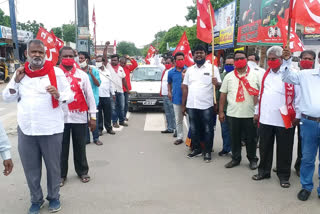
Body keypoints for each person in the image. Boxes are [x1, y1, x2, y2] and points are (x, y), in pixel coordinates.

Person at [2, 39, 73, 214]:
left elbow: (69, 95)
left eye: (40, 52)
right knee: (31, 169)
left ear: (45, 54)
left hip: (51, 129)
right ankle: (36, 200)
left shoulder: (56, 72)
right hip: (27, 129)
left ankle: (54, 197)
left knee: (53, 167)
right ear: (27, 54)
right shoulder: (20, 73)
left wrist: (58, 94)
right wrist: (16, 82)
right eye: (33, 52)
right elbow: (7, 97)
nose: (37, 55)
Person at [252, 46, 300, 189]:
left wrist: (297, 115)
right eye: (269, 59)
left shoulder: (291, 74)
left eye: (274, 59)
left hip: (285, 117)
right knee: (265, 147)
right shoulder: (265, 74)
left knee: (284, 149)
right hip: (266, 117)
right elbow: (261, 96)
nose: (271, 61)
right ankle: (264, 171)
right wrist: (256, 112)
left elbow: (298, 96)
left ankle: (284, 175)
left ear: (281, 59)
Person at [282, 47, 320, 201]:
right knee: (307, 158)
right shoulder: (305, 74)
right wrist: (286, 60)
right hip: (309, 122)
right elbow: (286, 77)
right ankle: (306, 186)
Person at [59, 46, 97, 187]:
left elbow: (90, 98)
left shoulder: (83, 75)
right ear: (60, 57)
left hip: (79, 117)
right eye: (65, 56)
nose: (68, 59)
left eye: (70, 56)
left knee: (80, 146)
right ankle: (61, 174)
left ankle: (82, 171)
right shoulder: (55, 75)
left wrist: (92, 118)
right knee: (61, 148)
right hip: (60, 119)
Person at [219, 50, 260, 170]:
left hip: (250, 114)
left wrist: (258, 112)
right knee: (234, 138)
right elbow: (223, 95)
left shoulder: (256, 75)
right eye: (236, 59)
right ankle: (236, 158)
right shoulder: (229, 76)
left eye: (241, 58)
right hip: (233, 113)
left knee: (251, 139)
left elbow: (261, 94)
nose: (239, 61)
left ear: (246, 59)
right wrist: (221, 111)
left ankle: (252, 159)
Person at [182, 45, 221, 162]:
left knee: (208, 129)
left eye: (201, 53)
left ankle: (207, 151)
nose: (199, 55)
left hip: (206, 105)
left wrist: (217, 83)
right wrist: (183, 105)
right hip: (191, 105)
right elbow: (185, 87)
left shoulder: (213, 68)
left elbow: (220, 86)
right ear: (193, 56)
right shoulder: (189, 70)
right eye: (196, 53)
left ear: (205, 54)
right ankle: (197, 149)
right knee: (194, 129)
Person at [78, 51, 102, 145]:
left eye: (82, 58)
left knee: (94, 118)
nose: (80, 60)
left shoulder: (94, 70)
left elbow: (98, 84)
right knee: (84, 120)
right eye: (79, 58)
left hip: (93, 99)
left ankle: (96, 138)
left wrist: (91, 74)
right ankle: (86, 139)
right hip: (81, 100)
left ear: (87, 60)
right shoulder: (77, 70)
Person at [103, 43, 129, 128]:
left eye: (115, 60)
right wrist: (106, 47)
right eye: (112, 60)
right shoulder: (108, 66)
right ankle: (114, 122)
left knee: (121, 106)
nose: (113, 61)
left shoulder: (121, 68)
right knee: (113, 108)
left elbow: (124, 79)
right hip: (112, 91)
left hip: (121, 90)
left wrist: (127, 89)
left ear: (118, 61)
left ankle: (121, 121)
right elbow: (104, 57)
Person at [168, 52, 187, 145]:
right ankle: (180, 137)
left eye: (182, 59)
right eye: (178, 60)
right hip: (176, 99)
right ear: (175, 61)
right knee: (178, 120)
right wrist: (169, 92)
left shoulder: (189, 71)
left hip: (188, 100)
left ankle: (191, 139)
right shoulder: (171, 72)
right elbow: (169, 83)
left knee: (190, 121)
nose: (180, 61)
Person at [217, 54, 234, 156]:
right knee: (225, 130)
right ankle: (226, 148)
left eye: (231, 64)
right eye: (227, 64)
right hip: (224, 108)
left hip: (235, 108)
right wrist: (219, 109)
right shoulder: (221, 76)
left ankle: (234, 149)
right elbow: (219, 93)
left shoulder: (238, 76)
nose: (228, 66)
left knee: (234, 131)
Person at [96, 55, 116, 136]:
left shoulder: (108, 72)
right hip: (98, 96)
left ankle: (109, 128)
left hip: (107, 96)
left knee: (108, 113)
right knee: (99, 114)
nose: (98, 62)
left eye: (99, 61)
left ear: (103, 62)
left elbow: (111, 84)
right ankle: (100, 129)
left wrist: (113, 93)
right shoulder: (95, 71)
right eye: (96, 61)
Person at [120, 55, 138, 121]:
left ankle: (124, 116)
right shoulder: (117, 68)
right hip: (119, 89)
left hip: (126, 90)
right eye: (121, 63)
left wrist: (129, 58)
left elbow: (135, 65)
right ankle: (120, 117)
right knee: (120, 104)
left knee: (126, 104)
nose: (123, 64)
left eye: (124, 63)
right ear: (119, 62)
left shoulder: (127, 68)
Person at [160, 56, 176, 134]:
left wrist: (171, 93)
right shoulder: (165, 70)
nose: (166, 64)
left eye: (168, 63)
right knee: (167, 112)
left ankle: (175, 129)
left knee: (173, 112)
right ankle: (169, 128)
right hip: (164, 95)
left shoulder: (173, 71)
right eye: (165, 63)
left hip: (170, 95)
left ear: (172, 63)